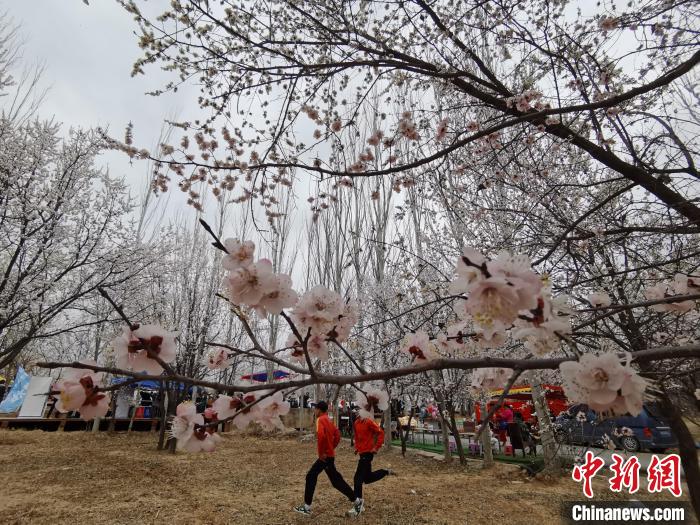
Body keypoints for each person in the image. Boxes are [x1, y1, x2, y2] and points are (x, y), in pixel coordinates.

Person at [294, 400, 355, 516]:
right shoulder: (328, 419)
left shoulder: (320, 419)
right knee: (336, 481)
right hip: (329, 455)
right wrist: (332, 447)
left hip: (325, 456)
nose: (314, 411)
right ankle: (356, 500)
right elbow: (337, 434)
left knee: (311, 476)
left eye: (315, 409)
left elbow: (321, 436)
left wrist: (321, 453)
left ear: (318, 409)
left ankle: (307, 507)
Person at [347, 410, 395, 516]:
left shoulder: (369, 422)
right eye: (356, 411)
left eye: (359, 410)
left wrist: (376, 447)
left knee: (357, 479)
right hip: (362, 453)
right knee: (367, 478)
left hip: (368, 453)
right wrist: (357, 448)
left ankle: (359, 506)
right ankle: (385, 472)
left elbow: (380, 432)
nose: (356, 412)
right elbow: (358, 437)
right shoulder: (356, 422)